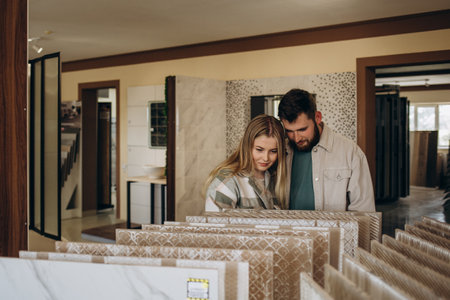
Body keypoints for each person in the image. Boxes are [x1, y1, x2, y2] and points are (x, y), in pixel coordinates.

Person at [278, 88, 375, 212]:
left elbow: (364, 212)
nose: (296, 138)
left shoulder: (351, 152)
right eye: (289, 131)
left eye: (302, 129)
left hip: (335, 231)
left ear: (317, 117)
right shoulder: (280, 150)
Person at [204, 114, 287, 211]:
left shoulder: (275, 179)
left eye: (273, 151)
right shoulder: (227, 180)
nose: (266, 158)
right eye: (259, 150)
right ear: (247, 146)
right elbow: (215, 225)